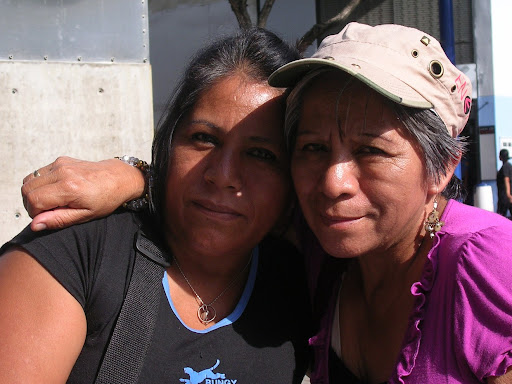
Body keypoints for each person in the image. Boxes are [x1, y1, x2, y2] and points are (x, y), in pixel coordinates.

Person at [18, 23, 512, 384]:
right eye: (313, 148)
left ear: (442, 168)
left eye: (371, 151)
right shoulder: (321, 254)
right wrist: (136, 174)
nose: (334, 182)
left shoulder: (488, 264)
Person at [0, 27, 312, 383]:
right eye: (204, 139)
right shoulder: (77, 252)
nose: (223, 175)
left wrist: (134, 174)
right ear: (169, 141)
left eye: (260, 154)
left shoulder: (301, 282)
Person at [497, 148, 512, 217]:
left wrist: (508, 194)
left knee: (500, 216)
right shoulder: (508, 166)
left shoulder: (505, 167)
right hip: (506, 196)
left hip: (505, 196)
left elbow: (506, 179)